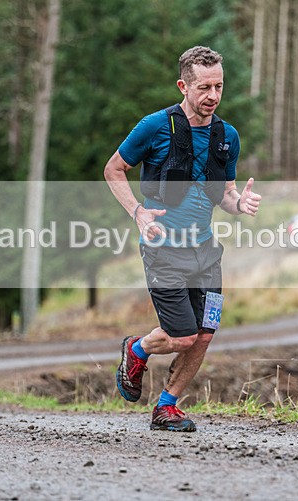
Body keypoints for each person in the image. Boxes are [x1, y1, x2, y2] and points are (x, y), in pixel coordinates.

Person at [103, 46, 261, 432]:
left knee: (204, 334)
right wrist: (138, 212)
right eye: (204, 87)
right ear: (183, 86)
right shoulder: (155, 126)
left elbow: (224, 193)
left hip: (206, 252)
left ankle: (167, 407)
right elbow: (114, 169)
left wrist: (240, 204)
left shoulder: (228, 136)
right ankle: (137, 349)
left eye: (219, 86)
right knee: (183, 335)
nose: (213, 96)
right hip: (164, 249)